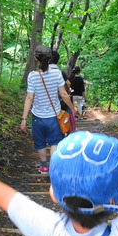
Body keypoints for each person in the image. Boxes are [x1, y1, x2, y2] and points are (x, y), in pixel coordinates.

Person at [21, 45, 77, 174]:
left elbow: (29, 98)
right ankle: (53, 166)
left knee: (40, 142)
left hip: (37, 117)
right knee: (55, 142)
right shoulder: (57, 74)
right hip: (54, 116)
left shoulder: (32, 76)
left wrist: (24, 119)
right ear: (50, 57)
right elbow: (63, 94)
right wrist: (72, 108)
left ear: (36, 58)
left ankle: (44, 166)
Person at [50, 49, 76, 134]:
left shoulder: (40, 73)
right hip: (61, 101)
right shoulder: (60, 73)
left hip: (48, 102)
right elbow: (68, 84)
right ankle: (68, 133)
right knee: (67, 115)